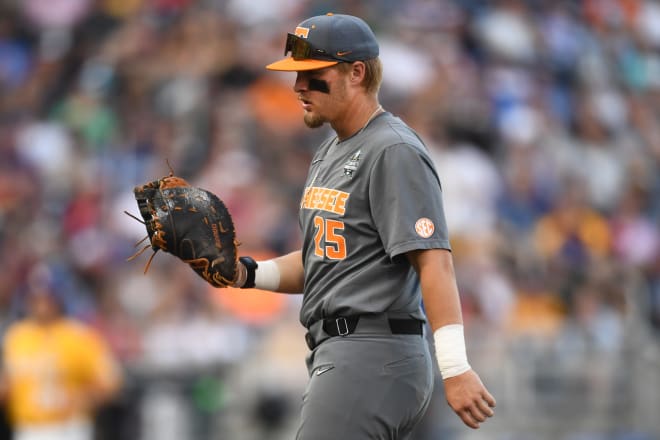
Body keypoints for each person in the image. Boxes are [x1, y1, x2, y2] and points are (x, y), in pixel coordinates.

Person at [232, 13, 496, 439]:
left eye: (312, 74)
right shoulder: (331, 149)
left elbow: (434, 263)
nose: (299, 86)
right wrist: (244, 272)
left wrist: (455, 366)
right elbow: (323, 259)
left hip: (373, 351)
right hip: (343, 351)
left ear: (356, 72)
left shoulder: (392, 149)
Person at [0, 272, 122, 440]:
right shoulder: (16, 336)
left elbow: (111, 382)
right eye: (35, 299)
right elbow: (7, 383)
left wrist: (87, 398)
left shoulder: (78, 335)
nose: (41, 305)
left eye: (47, 298)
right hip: (28, 427)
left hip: (69, 427)